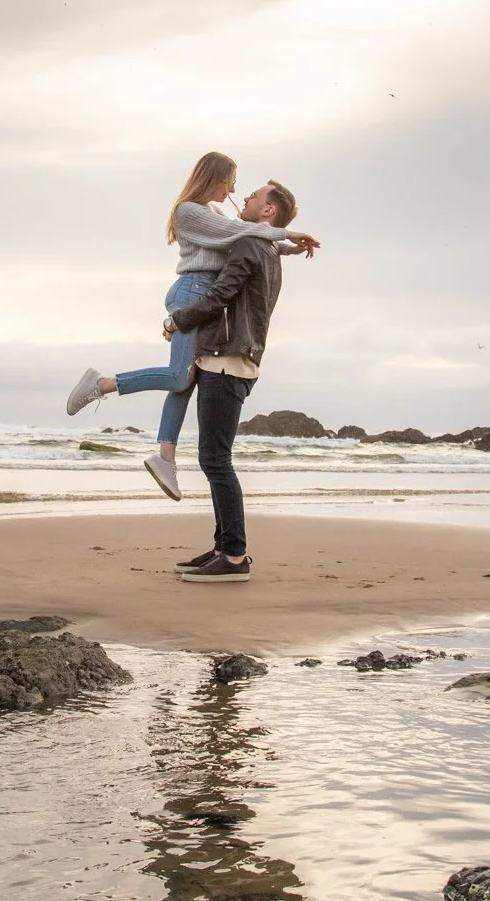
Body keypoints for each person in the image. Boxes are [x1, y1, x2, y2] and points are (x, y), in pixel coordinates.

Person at [66, 152, 317, 501]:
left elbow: (246, 234)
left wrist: (287, 247)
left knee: (185, 378)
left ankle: (165, 456)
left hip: (202, 294)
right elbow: (239, 230)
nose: (235, 189)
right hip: (193, 291)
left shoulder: (215, 212)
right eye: (231, 180)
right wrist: (288, 234)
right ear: (214, 179)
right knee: (179, 376)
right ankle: (103, 384)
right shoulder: (189, 211)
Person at [162, 179, 294, 582]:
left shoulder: (251, 245)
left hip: (228, 361)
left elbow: (220, 294)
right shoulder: (266, 246)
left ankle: (234, 556)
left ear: (268, 211)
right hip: (237, 359)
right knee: (214, 459)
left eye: (255, 195)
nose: (248, 197)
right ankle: (223, 545)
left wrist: (177, 319)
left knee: (216, 460)